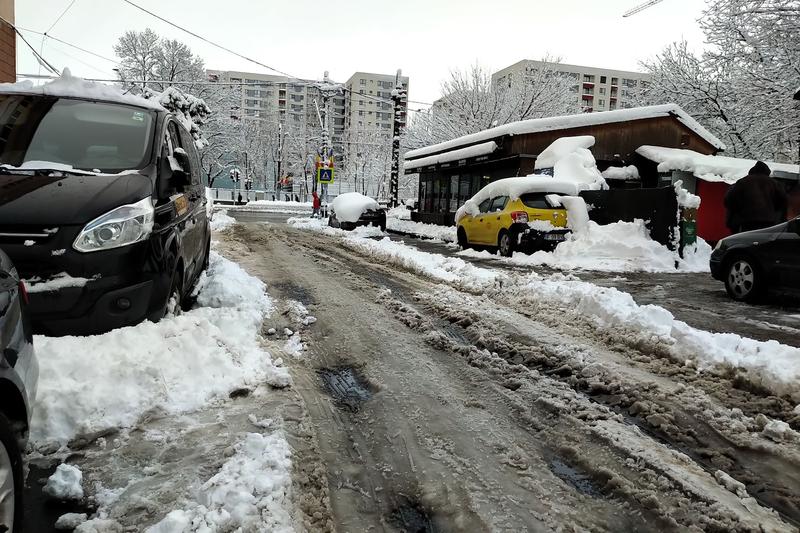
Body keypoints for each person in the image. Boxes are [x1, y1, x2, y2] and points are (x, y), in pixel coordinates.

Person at [724, 161, 787, 233]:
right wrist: (772, 209)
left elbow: (729, 199)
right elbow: (783, 200)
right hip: (768, 221)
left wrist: (740, 209)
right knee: (764, 242)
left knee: (747, 241)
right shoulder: (774, 183)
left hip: (746, 221)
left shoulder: (743, 182)